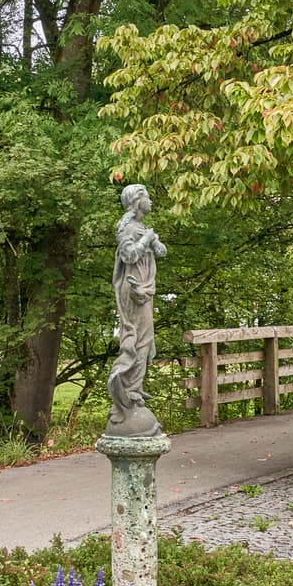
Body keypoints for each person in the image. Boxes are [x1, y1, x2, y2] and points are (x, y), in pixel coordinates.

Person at [107, 183, 167, 433]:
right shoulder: (128, 229)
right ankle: (125, 393)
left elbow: (162, 252)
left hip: (146, 290)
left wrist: (154, 240)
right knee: (135, 339)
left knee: (146, 341)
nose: (151, 201)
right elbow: (129, 256)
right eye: (147, 197)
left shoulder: (142, 228)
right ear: (136, 202)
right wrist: (147, 239)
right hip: (133, 292)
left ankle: (135, 390)